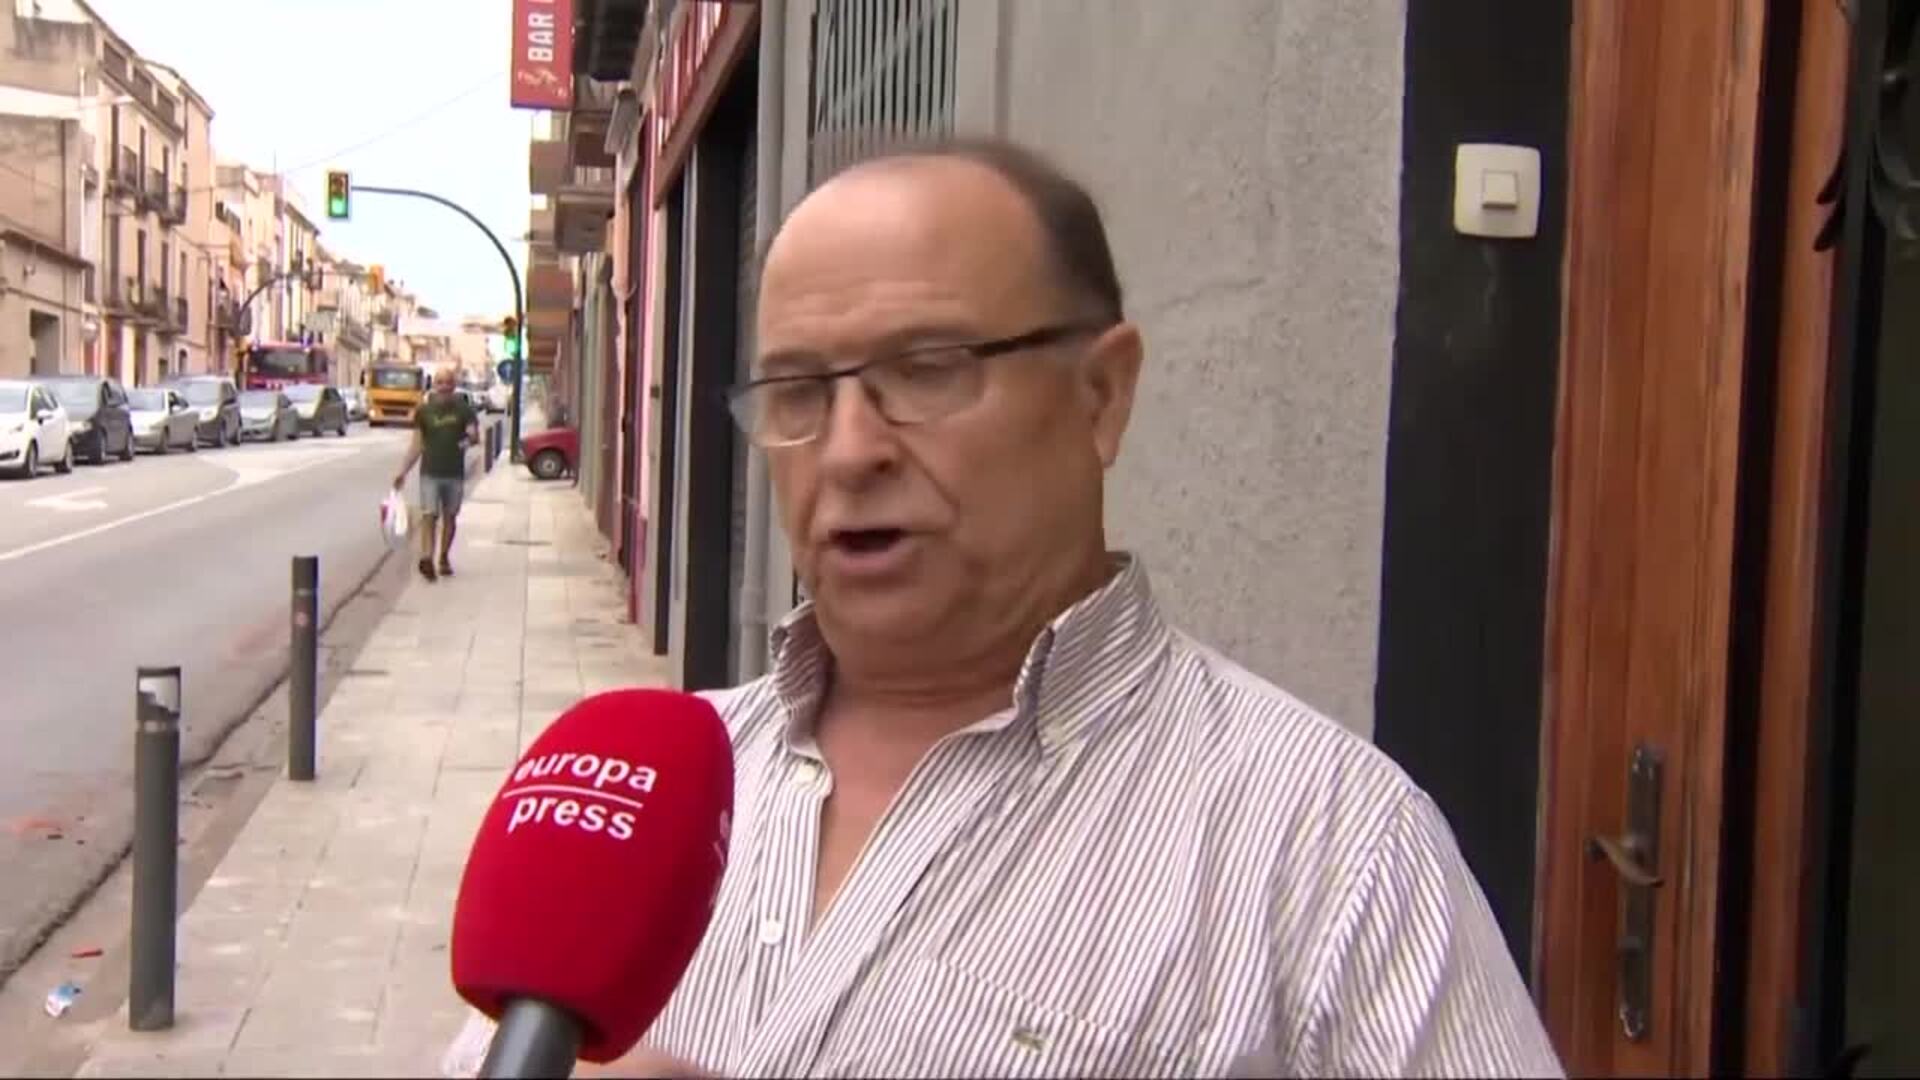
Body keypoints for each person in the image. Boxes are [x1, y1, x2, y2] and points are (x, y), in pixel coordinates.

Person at [443, 136, 1564, 1078]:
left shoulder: (1331, 853)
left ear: (1101, 395)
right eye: (798, 390)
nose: (850, 451)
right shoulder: (644, 797)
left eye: (928, 369)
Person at [394, 364, 478, 582]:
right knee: (429, 515)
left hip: (454, 474)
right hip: (429, 473)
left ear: (454, 386)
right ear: (433, 385)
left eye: (448, 382)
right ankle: (427, 558)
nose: (444, 387)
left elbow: (474, 436)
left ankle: (443, 557)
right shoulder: (424, 411)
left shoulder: (463, 410)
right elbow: (417, 444)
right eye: (440, 383)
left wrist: (462, 444)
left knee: (450, 516)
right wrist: (403, 471)